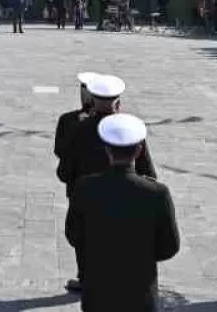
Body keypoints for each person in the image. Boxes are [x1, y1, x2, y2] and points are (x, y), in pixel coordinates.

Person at [64, 114, 180, 312]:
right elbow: (169, 246)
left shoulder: (85, 187)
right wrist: (140, 255)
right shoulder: (157, 193)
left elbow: (74, 235)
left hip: (98, 294)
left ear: (107, 150)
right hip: (140, 294)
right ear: (139, 150)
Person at [54, 72, 97, 292]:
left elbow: (60, 154)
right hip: (110, 192)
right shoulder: (120, 125)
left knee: (81, 235)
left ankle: (85, 276)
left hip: (79, 189)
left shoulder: (68, 121)